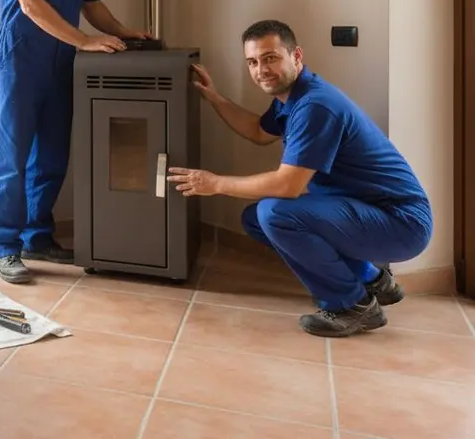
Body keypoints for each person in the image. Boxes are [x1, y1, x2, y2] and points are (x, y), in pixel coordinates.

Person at [167, 19, 433, 337]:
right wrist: (216, 99)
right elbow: (258, 132)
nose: (261, 70)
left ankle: (352, 306)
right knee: (256, 218)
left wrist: (215, 183)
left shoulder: (314, 106)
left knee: (274, 213)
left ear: (296, 56)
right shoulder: (291, 98)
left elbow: (288, 186)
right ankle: (371, 279)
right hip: (365, 209)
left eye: (270, 58)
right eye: (252, 62)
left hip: (401, 223)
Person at [0, 0, 152, 284]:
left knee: (52, 159)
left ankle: (37, 238)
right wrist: (84, 41)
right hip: (20, 66)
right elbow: (31, 5)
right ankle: (6, 248)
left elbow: (92, 4)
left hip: (63, 67)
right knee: (13, 160)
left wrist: (122, 31)